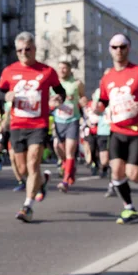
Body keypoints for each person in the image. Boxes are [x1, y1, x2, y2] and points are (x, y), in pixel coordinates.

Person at [0, 32, 66, 223]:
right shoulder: (9, 71)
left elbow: (61, 91)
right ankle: (42, 182)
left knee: (33, 162)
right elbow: (1, 91)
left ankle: (27, 206)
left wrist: (58, 99)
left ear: (34, 49)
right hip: (17, 124)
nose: (24, 53)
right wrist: (7, 97)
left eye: (27, 49)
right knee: (21, 169)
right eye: (19, 50)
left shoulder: (47, 71)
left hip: (39, 124)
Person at [97, 34, 138, 224]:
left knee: (133, 174)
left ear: (129, 48)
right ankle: (129, 208)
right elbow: (103, 100)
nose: (119, 50)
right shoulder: (107, 77)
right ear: (110, 49)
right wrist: (97, 108)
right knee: (116, 171)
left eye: (122, 47)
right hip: (117, 129)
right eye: (115, 47)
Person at [51, 61, 87, 193]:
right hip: (59, 121)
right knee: (57, 147)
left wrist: (84, 103)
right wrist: (53, 103)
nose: (62, 70)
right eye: (59, 68)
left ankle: (65, 181)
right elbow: (49, 102)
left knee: (70, 150)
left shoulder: (77, 83)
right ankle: (68, 167)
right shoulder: (53, 85)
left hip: (73, 120)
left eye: (64, 68)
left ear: (69, 69)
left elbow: (83, 98)